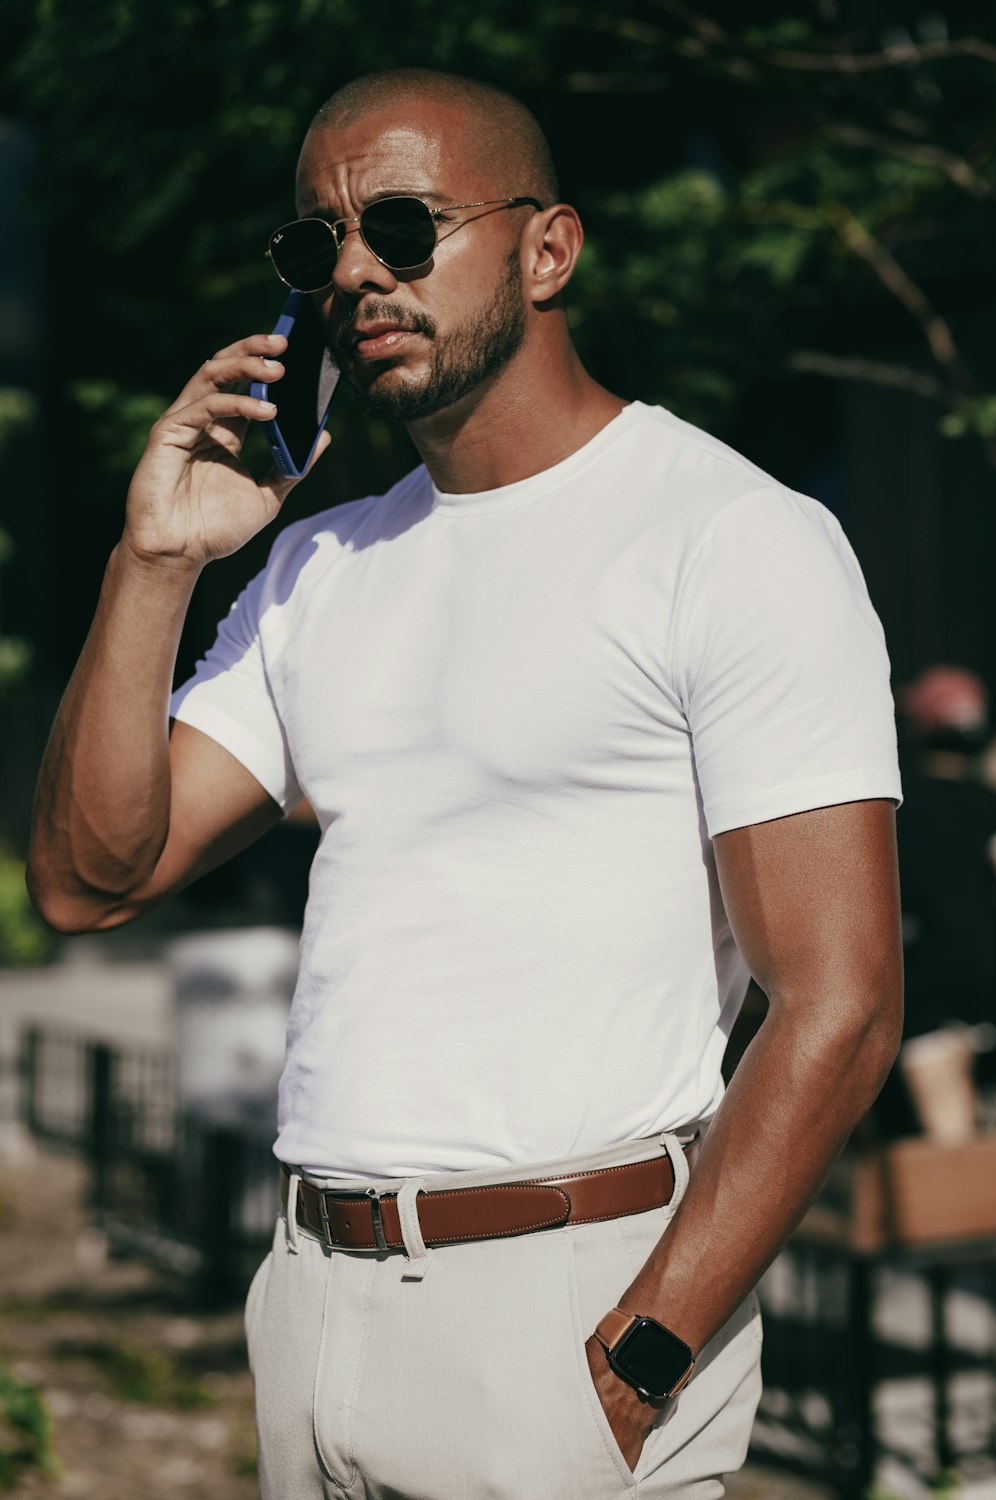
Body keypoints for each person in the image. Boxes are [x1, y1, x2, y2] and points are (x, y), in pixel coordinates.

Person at [27, 68, 903, 1499]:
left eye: (403, 225)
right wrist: (157, 564)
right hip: (314, 1296)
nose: (357, 271)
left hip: (563, 1318)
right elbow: (88, 878)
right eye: (319, 245)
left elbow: (843, 1005)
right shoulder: (320, 566)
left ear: (549, 248)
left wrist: (639, 1362)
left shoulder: (731, 538)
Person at [894, 665, 996, 1143]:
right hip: (988, 967)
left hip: (927, 971)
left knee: (950, 1135)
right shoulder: (989, 805)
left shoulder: (897, 808)